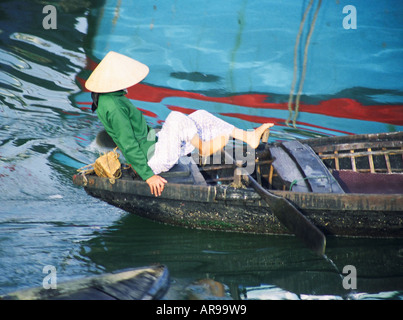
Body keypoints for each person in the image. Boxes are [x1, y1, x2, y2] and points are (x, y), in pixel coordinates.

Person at [85, 51, 274, 197]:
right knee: (175, 118)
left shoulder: (110, 97)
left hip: (154, 145)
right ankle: (204, 147)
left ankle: (248, 136)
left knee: (199, 115)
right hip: (152, 160)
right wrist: (148, 176)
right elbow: (128, 143)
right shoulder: (114, 107)